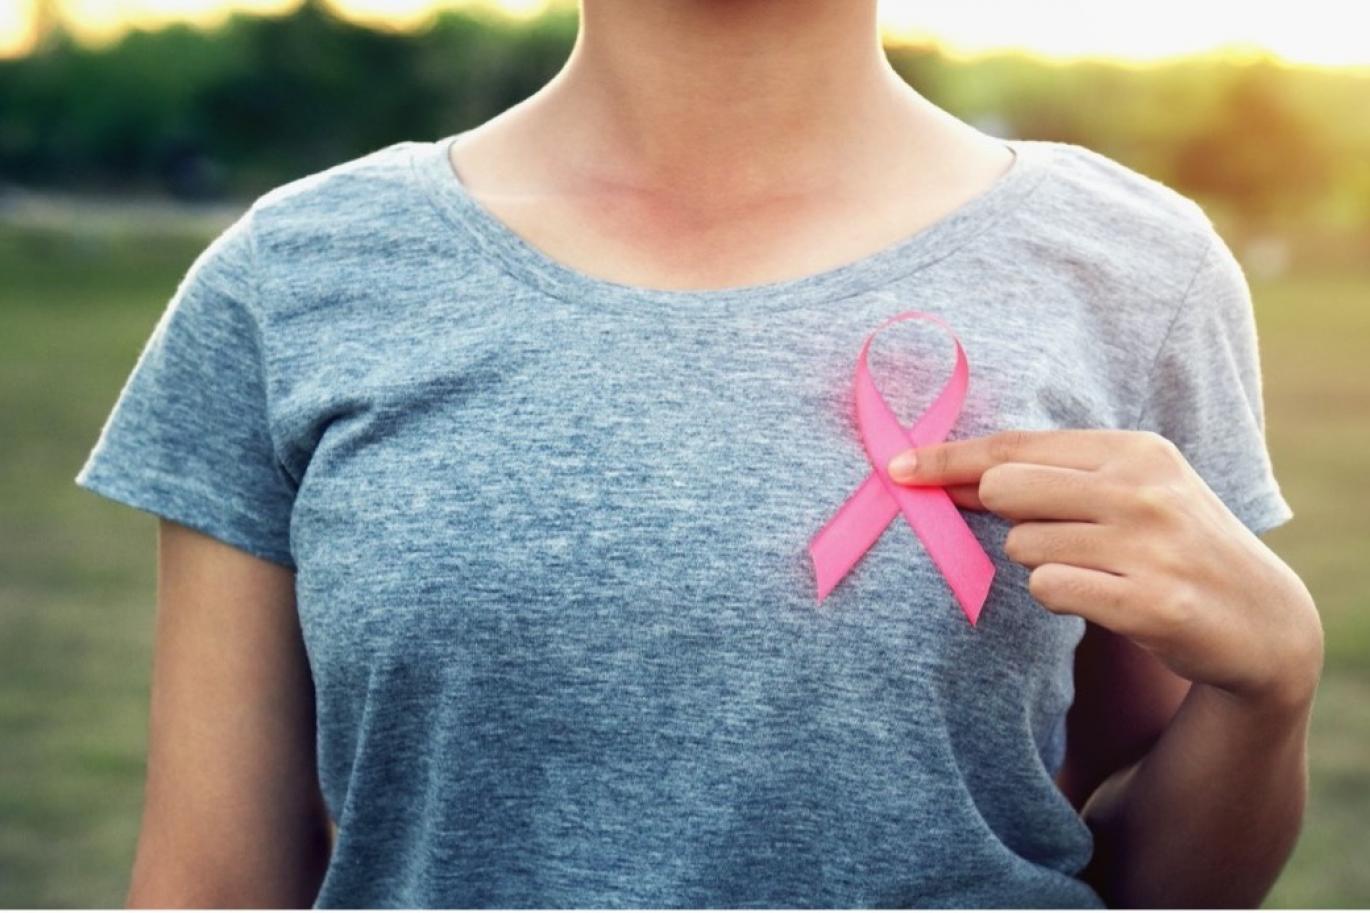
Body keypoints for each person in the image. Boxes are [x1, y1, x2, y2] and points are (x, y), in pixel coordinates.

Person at [73, 0, 1323, 907]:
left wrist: (1266, 691)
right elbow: (212, 879)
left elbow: (1155, 880)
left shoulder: (1133, 271)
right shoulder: (291, 279)